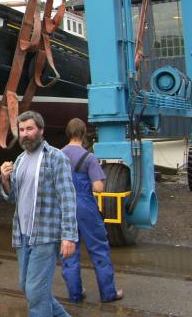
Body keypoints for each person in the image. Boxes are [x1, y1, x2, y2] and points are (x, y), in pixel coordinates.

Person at [0, 110, 78, 317]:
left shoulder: (56, 158)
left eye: (30, 129)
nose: (25, 134)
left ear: (41, 130)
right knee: (28, 287)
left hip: (45, 234)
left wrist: (68, 235)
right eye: (21, 129)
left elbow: (67, 197)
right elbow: (13, 197)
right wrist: (6, 180)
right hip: (23, 234)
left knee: (35, 291)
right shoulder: (19, 160)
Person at [60, 118, 123, 303]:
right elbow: (98, 188)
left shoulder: (58, 155)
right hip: (85, 207)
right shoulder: (89, 158)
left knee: (69, 251)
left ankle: (75, 294)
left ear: (68, 133)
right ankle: (108, 293)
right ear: (83, 133)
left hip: (65, 207)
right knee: (99, 250)